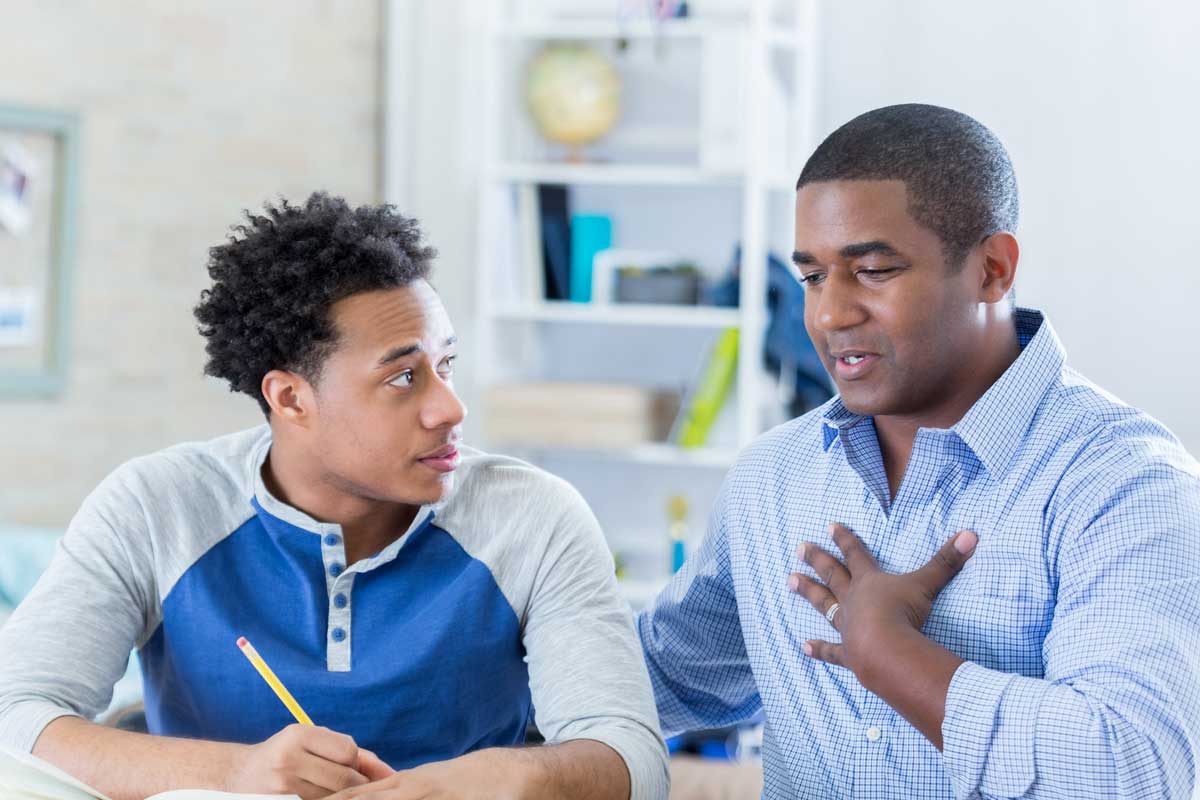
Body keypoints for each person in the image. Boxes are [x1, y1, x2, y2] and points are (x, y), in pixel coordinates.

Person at [0, 193, 669, 800]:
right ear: (290, 398)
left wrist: (512, 776)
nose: (450, 407)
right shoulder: (155, 506)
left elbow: (635, 757)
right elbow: (12, 715)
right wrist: (233, 774)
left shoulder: (534, 518)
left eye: (446, 365)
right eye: (404, 377)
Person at [637, 104, 1200, 798]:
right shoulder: (771, 477)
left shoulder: (1126, 483)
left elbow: (1139, 770)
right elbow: (667, 675)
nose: (829, 314)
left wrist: (900, 662)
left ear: (993, 269)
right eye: (813, 276)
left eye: (872, 270)